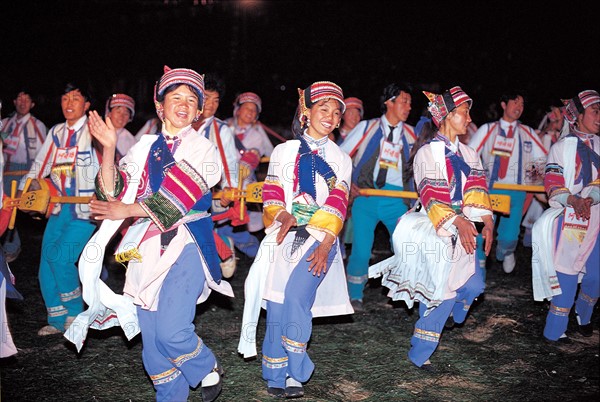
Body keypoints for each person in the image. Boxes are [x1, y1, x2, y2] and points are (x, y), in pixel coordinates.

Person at [68, 66, 233, 402]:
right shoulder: (144, 147)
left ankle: (204, 366)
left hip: (187, 242)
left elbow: (178, 197)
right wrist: (110, 148)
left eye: (192, 100)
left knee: (173, 331)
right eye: (176, 98)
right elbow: (116, 190)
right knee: (154, 344)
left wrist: (124, 211)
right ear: (160, 106)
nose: (184, 104)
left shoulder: (204, 149)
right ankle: (170, 395)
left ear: (199, 109)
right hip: (144, 246)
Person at [238, 81, 354, 398]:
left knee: (296, 297)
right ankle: (278, 374)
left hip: (321, 237)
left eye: (335, 112)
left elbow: (338, 205)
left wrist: (328, 245)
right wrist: (281, 216)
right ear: (306, 111)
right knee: (276, 303)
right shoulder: (283, 151)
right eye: (323, 109)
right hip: (283, 234)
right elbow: (273, 196)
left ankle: (299, 368)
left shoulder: (342, 158)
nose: (330, 117)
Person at [370, 86, 494, 371]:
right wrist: (459, 221)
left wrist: (486, 221)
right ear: (447, 117)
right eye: (464, 112)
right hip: (433, 225)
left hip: (461, 225)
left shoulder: (470, 153)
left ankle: (453, 312)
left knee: (475, 285)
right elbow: (432, 195)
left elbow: (476, 192)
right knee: (441, 291)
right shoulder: (427, 152)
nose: (469, 117)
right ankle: (420, 353)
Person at [17, 82, 98, 336]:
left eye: (75, 98)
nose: (69, 104)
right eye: (65, 99)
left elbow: (109, 167)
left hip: (85, 211)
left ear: (86, 105)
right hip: (61, 207)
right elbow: (40, 165)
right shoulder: (56, 132)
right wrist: (24, 190)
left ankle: (75, 312)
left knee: (62, 258)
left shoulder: (95, 131)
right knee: (46, 262)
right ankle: (56, 315)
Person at [339, 83, 417, 311]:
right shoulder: (366, 128)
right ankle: (355, 294)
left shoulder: (412, 134)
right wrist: (347, 181)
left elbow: (421, 165)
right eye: (404, 101)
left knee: (404, 248)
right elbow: (340, 155)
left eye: (410, 103)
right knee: (362, 248)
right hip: (366, 197)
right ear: (389, 103)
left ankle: (403, 292)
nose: (408, 107)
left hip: (398, 202)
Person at [532, 89, 599, 343]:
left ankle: (585, 312)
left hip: (597, 217)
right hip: (571, 218)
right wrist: (573, 200)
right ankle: (555, 331)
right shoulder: (561, 148)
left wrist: (590, 198)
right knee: (567, 273)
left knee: (596, 275)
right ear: (579, 117)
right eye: (595, 111)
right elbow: (552, 181)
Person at [469, 90, 547, 274]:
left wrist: (534, 177)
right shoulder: (487, 130)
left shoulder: (528, 132)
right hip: (489, 189)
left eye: (522, 105)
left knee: (511, 235)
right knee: (481, 228)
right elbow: (469, 154)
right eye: (515, 103)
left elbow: (542, 159)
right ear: (504, 105)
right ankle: (479, 260)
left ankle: (506, 251)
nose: (518, 108)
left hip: (516, 190)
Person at [192, 73, 240, 278]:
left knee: (193, 226)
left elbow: (230, 162)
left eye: (216, 100)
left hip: (206, 191)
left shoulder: (221, 130)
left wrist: (231, 188)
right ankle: (222, 248)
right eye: (207, 98)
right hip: (178, 189)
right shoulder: (180, 124)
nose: (211, 104)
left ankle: (222, 252)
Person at [0, 89, 47, 262]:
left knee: (21, 209)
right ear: (14, 101)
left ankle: (13, 245)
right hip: (6, 172)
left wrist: (37, 178)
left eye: (27, 99)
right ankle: (10, 245)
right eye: (20, 98)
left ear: (32, 104)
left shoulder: (37, 125)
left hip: (26, 173)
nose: (23, 102)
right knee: (4, 208)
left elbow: (44, 154)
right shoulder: (4, 124)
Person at [224, 92, 273, 258]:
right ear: (237, 110)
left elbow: (250, 159)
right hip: (218, 183)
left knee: (236, 225)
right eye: (247, 108)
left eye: (254, 110)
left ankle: (260, 257)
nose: (250, 112)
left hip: (242, 186)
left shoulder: (256, 135)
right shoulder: (221, 128)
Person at [104, 93, 137, 162]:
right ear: (109, 113)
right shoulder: (98, 132)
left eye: (126, 114)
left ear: (129, 118)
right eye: (118, 111)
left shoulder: (131, 141)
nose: (121, 117)